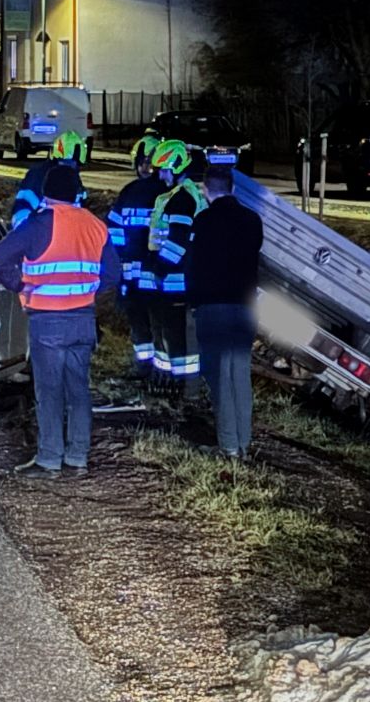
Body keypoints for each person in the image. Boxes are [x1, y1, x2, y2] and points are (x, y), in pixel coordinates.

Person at [0, 163, 120, 476]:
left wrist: (20, 284)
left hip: (48, 319)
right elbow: (113, 273)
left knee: (49, 391)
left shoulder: (37, 224)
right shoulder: (95, 225)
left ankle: (49, 458)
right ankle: (78, 456)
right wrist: (87, 290)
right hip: (83, 318)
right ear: (76, 192)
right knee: (79, 390)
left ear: (46, 193)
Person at [186, 164, 264, 459]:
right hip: (244, 309)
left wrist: (193, 301)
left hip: (212, 309)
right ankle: (244, 443)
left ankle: (228, 445)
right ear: (232, 188)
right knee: (240, 377)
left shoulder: (203, 222)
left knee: (219, 379)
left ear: (205, 190)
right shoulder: (252, 220)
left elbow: (191, 265)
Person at [145, 138, 207, 399]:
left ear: (175, 167)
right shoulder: (182, 195)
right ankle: (177, 386)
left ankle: (186, 389)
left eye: (163, 169)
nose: (160, 174)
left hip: (175, 281)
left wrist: (158, 269)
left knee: (177, 337)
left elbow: (177, 241)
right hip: (179, 279)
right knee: (175, 336)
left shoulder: (181, 199)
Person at [106, 135, 167, 377]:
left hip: (133, 275)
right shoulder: (170, 192)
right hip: (160, 274)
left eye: (146, 162)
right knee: (161, 323)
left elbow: (112, 232)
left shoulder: (130, 192)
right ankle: (160, 371)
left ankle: (145, 367)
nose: (144, 167)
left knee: (140, 322)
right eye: (141, 161)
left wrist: (120, 261)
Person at [9, 129, 88, 229]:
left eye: (75, 164)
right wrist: (31, 237)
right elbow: (21, 212)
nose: (70, 168)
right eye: (66, 163)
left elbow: (81, 213)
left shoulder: (76, 182)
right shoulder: (37, 178)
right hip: (39, 237)